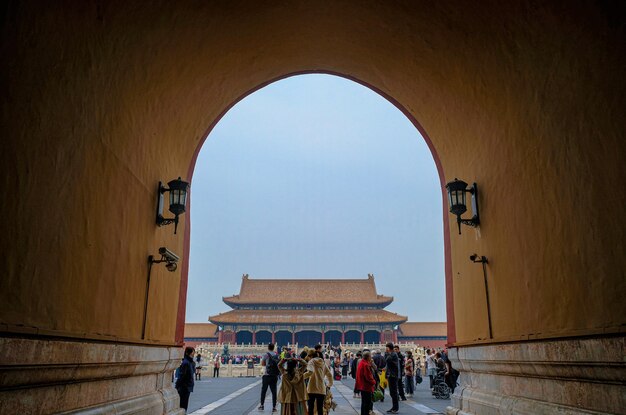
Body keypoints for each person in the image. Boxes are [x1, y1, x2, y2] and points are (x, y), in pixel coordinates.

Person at [304, 351, 333, 415]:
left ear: (311, 356)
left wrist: (301, 377)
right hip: (321, 389)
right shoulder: (323, 363)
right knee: (320, 408)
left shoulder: (311, 361)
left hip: (311, 388)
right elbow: (330, 375)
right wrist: (329, 384)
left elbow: (310, 372)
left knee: (310, 408)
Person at [259, 343, 280, 412]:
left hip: (266, 375)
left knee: (264, 391)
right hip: (274, 375)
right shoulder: (276, 355)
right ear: (274, 348)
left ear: (268, 347)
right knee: (274, 391)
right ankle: (274, 407)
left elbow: (263, 363)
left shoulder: (266, 355)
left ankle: (262, 405)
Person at [175, 347, 196, 413]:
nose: (193, 354)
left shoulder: (191, 362)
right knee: (182, 404)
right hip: (184, 387)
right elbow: (182, 376)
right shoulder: (185, 362)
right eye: (192, 352)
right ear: (188, 353)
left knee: (184, 404)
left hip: (188, 386)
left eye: (193, 352)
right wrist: (177, 386)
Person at [355, 351, 376, 415]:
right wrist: (374, 382)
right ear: (368, 357)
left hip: (362, 385)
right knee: (367, 403)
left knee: (363, 403)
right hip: (366, 386)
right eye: (370, 356)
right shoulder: (366, 364)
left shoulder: (361, 362)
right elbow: (368, 377)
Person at [384, 343, 399, 414]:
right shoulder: (391, 354)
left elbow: (387, 360)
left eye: (386, 348)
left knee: (394, 392)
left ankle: (395, 408)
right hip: (391, 375)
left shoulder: (393, 354)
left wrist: (387, 353)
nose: (385, 349)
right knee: (392, 392)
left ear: (389, 348)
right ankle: (394, 407)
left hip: (393, 375)